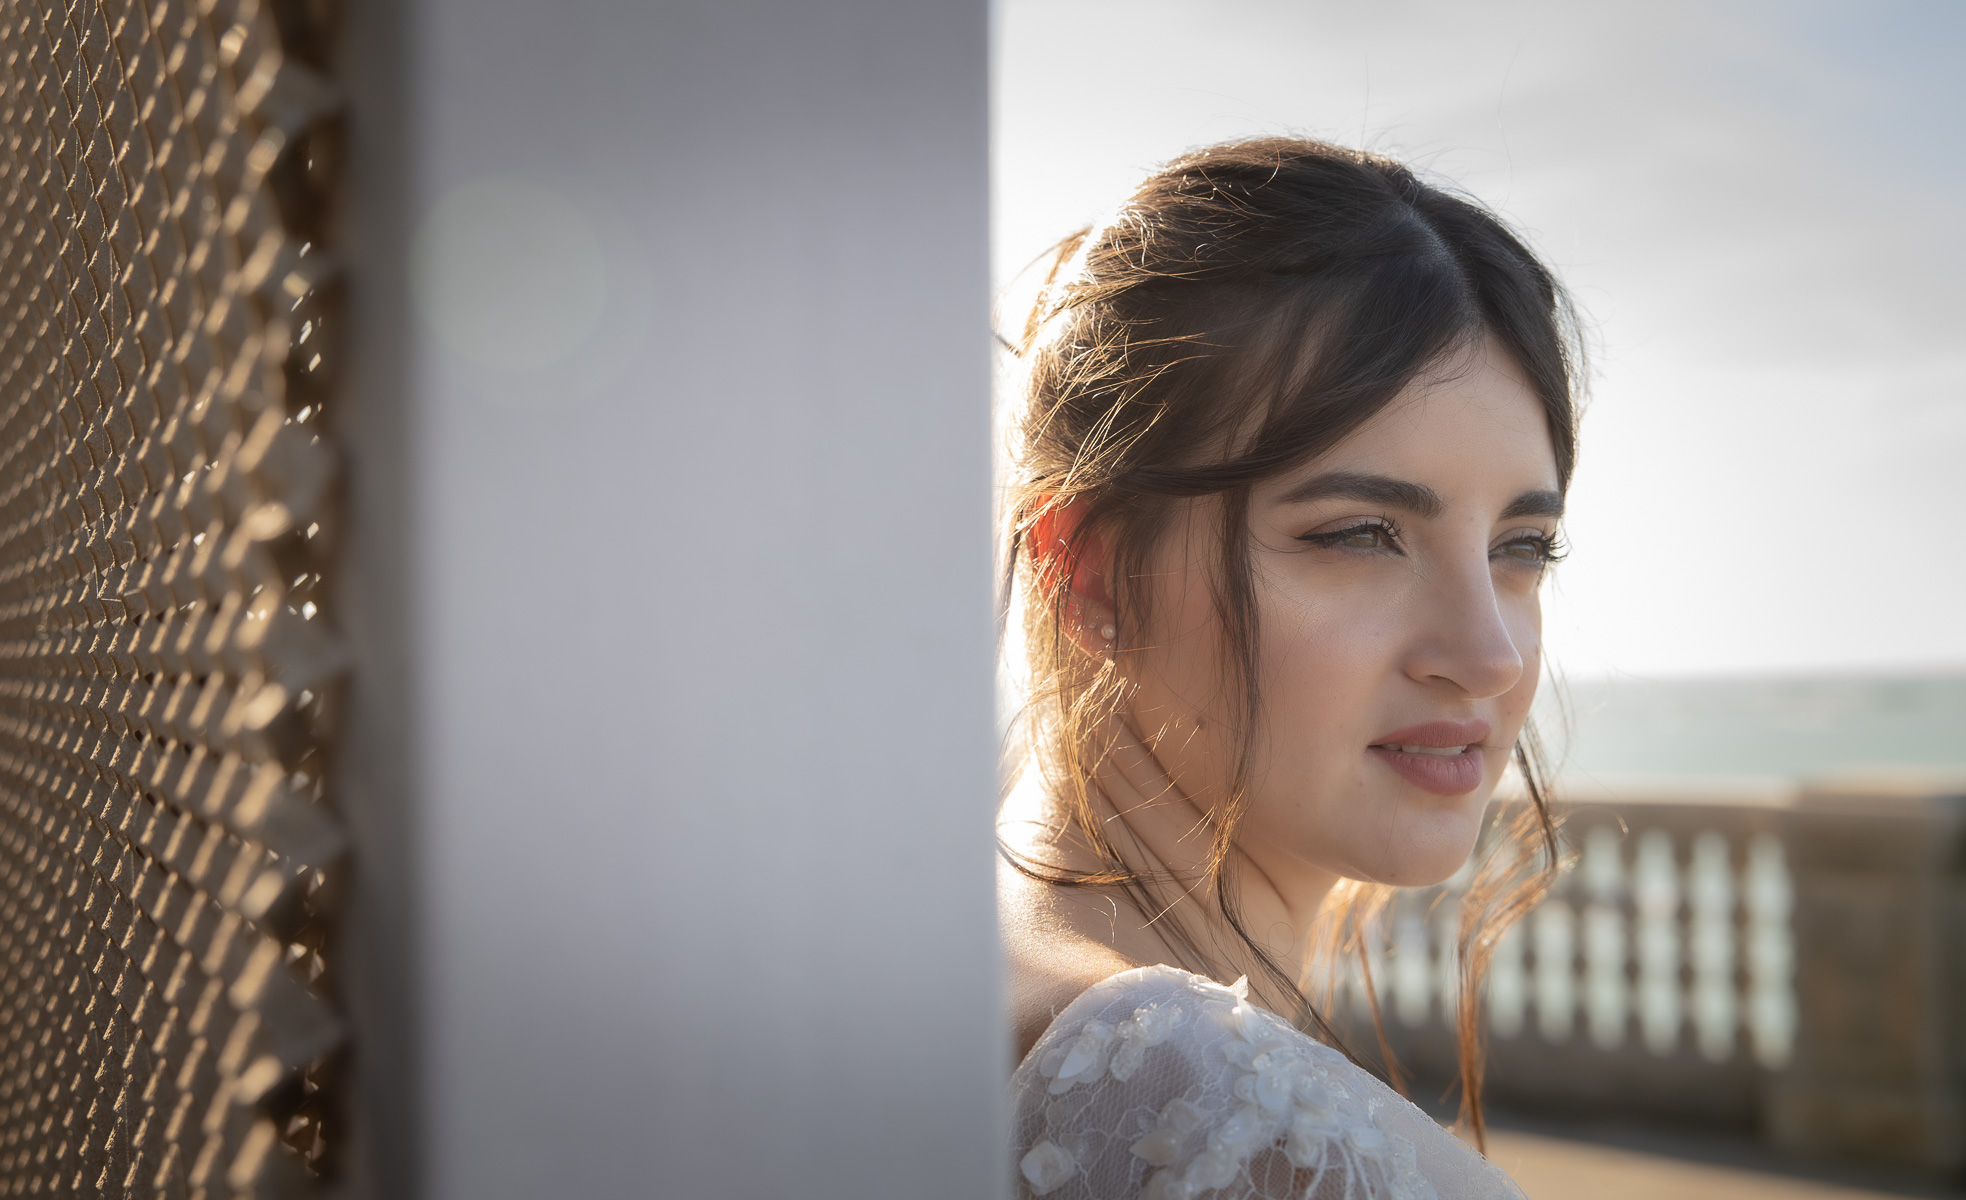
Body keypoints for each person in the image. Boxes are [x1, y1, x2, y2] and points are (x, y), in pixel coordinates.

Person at [997, 137, 1577, 1200]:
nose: (1488, 656)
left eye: (1521, 547)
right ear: (1089, 573)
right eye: (1359, 534)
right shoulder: (1203, 1104)